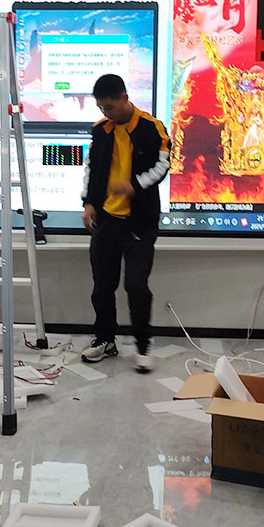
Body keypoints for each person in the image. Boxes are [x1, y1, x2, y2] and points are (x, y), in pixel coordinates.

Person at [81, 74, 170, 372]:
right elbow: (91, 168)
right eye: (101, 107)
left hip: (139, 224)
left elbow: (163, 165)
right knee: (102, 287)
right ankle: (105, 340)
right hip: (107, 221)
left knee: (136, 286)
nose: (105, 112)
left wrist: (134, 186)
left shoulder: (152, 127)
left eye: (109, 106)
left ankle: (142, 347)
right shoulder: (100, 130)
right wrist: (89, 203)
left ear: (124, 97)